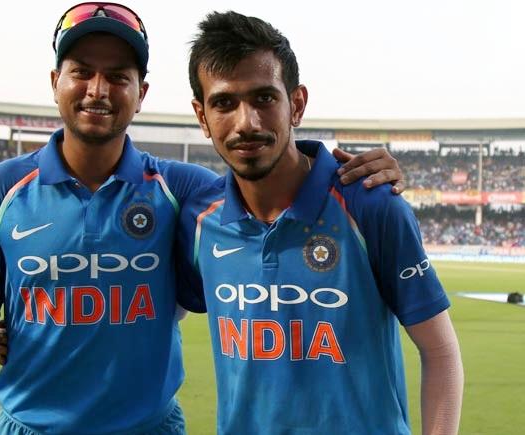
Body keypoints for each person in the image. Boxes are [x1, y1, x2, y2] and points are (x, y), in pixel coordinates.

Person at [0, 3, 404, 434]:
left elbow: (270, 191)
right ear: (55, 83)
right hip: (31, 425)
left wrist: (357, 174)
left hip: (149, 427)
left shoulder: (184, 189)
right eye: (81, 72)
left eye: (118, 76)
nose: (98, 90)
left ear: (141, 92)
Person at [173, 11, 464, 435]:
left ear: (297, 104)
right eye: (224, 103)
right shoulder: (198, 220)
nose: (246, 122)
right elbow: (158, 320)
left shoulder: (371, 205)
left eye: (264, 98)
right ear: (202, 116)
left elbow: (441, 354)